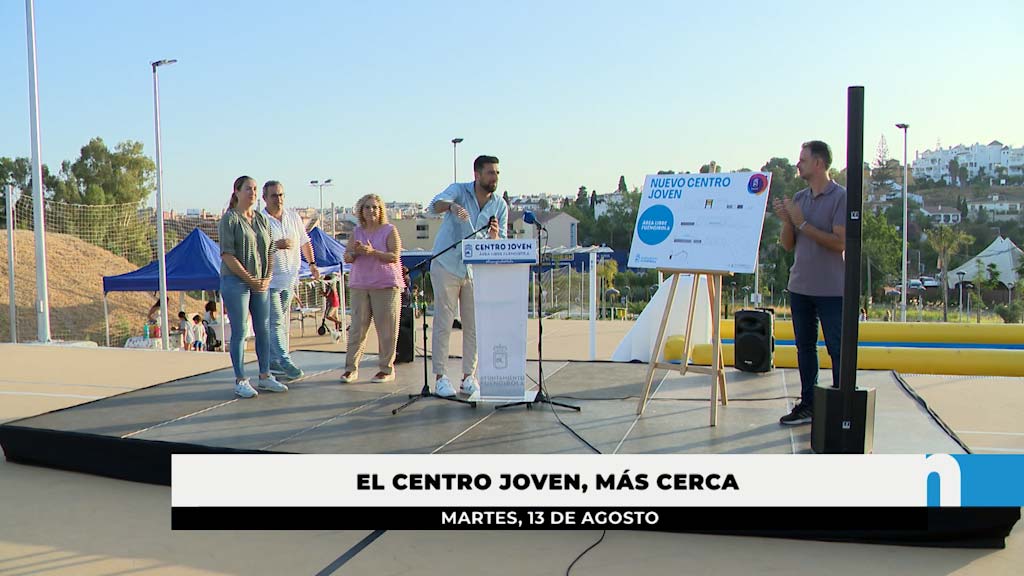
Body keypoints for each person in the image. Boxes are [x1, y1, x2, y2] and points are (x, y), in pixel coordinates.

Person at [772, 141, 846, 425]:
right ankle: (809, 404)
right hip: (800, 287)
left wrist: (802, 224)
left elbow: (839, 243)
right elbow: (788, 246)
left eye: (802, 159)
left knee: (836, 349)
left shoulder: (840, 197)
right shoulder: (799, 199)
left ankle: (841, 407)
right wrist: (788, 222)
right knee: (805, 347)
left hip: (831, 289)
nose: (797, 164)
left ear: (818, 163)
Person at [427, 155, 508, 397]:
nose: (495, 178)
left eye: (497, 173)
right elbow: (434, 205)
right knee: (444, 321)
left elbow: (500, 242)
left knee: (473, 326)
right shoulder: (459, 191)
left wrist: (494, 236)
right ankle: (441, 377)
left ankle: (468, 377)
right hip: (447, 264)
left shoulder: (500, 205)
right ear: (477, 174)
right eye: (490, 173)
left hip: (475, 271)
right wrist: (451, 206)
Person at [218, 175, 287, 398]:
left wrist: (266, 277)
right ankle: (240, 379)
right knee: (240, 331)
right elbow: (228, 255)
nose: (253, 193)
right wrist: (250, 279)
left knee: (264, 329)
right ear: (237, 191)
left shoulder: (260, 219)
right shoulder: (229, 220)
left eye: (256, 189)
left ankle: (265, 375)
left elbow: (269, 249)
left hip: (260, 283)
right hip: (236, 282)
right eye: (249, 189)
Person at [339, 194, 405, 384]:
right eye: (367, 207)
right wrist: (354, 253)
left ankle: (386, 368)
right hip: (360, 285)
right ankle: (351, 369)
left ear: (381, 210)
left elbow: (394, 256)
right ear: (361, 211)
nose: (371, 211)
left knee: (386, 330)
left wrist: (372, 252)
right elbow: (348, 256)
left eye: (375, 207)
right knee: (357, 329)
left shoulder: (390, 230)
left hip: (385, 285)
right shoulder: (357, 232)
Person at [262, 180, 319, 380]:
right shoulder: (261, 220)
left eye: (281, 195)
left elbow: (305, 242)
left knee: (278, 321)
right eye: (274, 196)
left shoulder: (293, 217)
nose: (278, 199)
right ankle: (285, 360)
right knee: (276, 321)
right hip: (270, 279)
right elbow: (255, 250)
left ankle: (273, 361)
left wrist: (312, 264)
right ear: (265, 198)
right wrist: (276, 245)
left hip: (290, 277)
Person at [321, 274, 343, 340]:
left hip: (332, 302)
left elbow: (327, 295)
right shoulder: (333, 287)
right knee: (335, 317)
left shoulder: (330, 287)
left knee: (328, 315)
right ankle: (337, 329)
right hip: (336, 301)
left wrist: (322, 293)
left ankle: (339, 323)